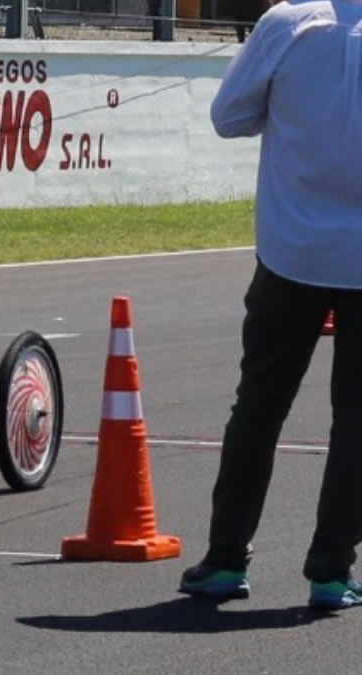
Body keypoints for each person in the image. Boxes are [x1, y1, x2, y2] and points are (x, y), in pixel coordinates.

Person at [178, 0, 361, 610]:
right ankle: (332, 571)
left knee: (259, 403)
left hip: (292, 248)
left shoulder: (288, 23)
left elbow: (229, 116)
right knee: (357, 421)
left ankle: (227, 558)